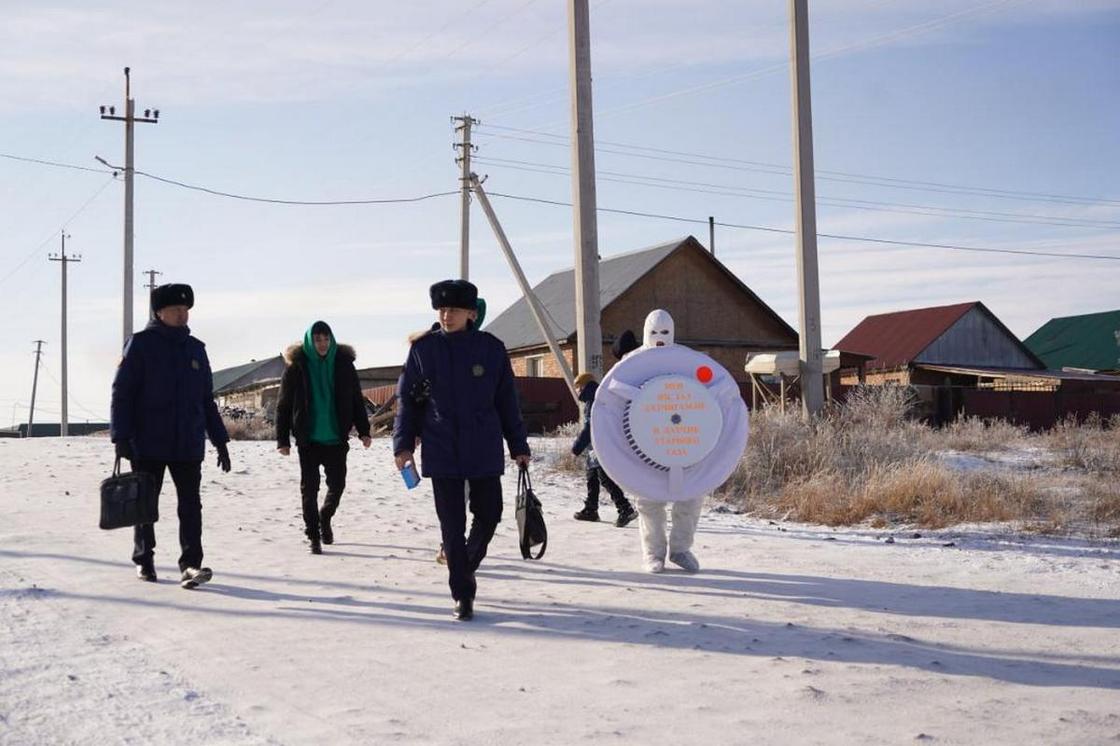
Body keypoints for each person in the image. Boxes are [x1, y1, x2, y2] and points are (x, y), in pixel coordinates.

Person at [393, 279, 530, 621]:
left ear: (471, 313)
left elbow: (507, 403)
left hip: (483, 445)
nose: (446, 315)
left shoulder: (491, 349)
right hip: (442, 448)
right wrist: (403, 444)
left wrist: (518, 445)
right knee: (451, 525)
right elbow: (407, 402)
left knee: (490, 513)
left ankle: (465, 564)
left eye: (453, 310)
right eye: (441, 309)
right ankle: (463, 594)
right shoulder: (424, 350)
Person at [110, 283, 231, 590]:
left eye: (186, 310)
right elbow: (122, 393)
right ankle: (144, 558)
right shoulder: (140, 344)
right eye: (176, 310)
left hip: (188, 442)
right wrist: (120, 436)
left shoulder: (196, 349)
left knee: (191, 505)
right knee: (145, 505)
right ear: (159, 312)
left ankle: (190, 564)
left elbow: (206, 399)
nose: (182, 315)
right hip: (148, 442)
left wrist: (220, 440)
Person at [275, 321, 372, 554]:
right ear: (310, 341)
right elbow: (284, 405)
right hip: (308, 440)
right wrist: (283, 440)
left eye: (326, 339)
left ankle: (324, 517)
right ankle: (313, 535)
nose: (322, 344)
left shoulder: (344, 364)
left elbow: (356, 399)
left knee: (337, 485)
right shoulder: (296, 367)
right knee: (309, 489)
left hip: (336, 438)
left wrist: (364, 430)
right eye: (318, 339)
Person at [570, 372, 637, 527]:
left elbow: (589, 427)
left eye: (578, 387)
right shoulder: (596, 397)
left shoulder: (594, 400)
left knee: (604, 478)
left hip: (599, 444)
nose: (577, 391)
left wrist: (576, 447)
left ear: (585, 386)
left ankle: (625, 508)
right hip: (596, 445)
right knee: (591, 476)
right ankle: (591, 509)